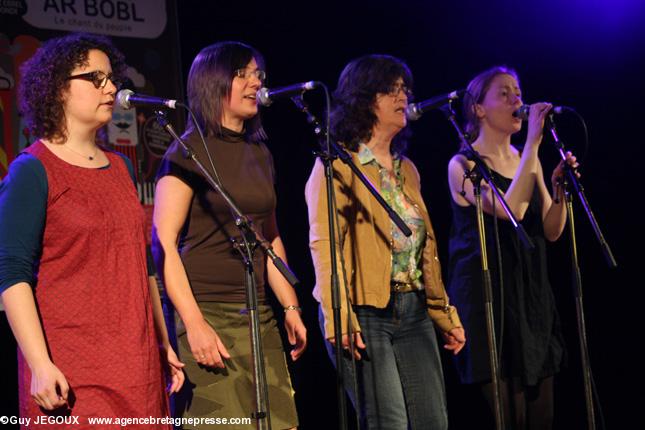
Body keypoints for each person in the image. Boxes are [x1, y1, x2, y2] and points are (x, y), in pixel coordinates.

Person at [0, 33, 184, 426]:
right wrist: (39, 363)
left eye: (112, 78)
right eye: (96, 78)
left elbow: (142, 264)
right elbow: (12, 273)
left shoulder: (121, 168)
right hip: (73, 369)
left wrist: (164, 340)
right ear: (58, 89)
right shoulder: (32, 170)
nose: (112, 88)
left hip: (138, 367)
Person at [306, 54, 465, 430]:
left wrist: (445, 314)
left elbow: (425, 251)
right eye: (390, 89)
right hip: (363, 313)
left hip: (413, 312)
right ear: (363, 100)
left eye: (404, 89)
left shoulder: (406, 169)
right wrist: (339, 315)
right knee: (387, 422)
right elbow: (324, 244)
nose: (403, 97)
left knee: (433, 422)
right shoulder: (338, 164)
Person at [153, 41, 306, 430]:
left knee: (281, 423)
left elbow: (269, 237)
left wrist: (290, 307)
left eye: (259, 74)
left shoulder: (261, 153)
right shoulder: (185, 151)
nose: (256, 82)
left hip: (259, 315)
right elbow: (164, 245)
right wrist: (193, 324)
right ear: (214, 81)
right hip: (207, 313)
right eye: (244, 74)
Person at [446, 66, 578, 429]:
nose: (517, 99)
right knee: (509, 418)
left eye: (518, 91)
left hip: (530, 295)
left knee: (542, 416)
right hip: (490, 302)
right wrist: (534, 141)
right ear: (479, 109)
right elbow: (511, 211)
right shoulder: (462, 165)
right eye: (503, 93)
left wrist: (559, 190)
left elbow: (551, 231)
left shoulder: (525, 158)